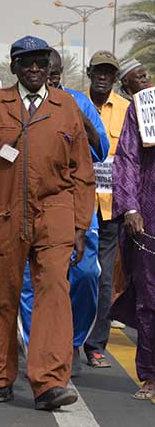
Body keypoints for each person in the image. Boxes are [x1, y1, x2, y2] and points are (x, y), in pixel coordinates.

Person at [0, 35, 95, 410]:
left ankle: (50, 382)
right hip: (1, 214)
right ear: (15, 67)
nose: (35, 69)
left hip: (55, 213)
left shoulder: (65, 106)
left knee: (54, 292)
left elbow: (81, 170)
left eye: (41, 62)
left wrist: (81, 227)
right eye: (27, 63)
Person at [18, 49, 107, 376]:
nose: (48, 76)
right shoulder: (19, 103)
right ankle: (39, 346)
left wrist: (79, 119)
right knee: (35, 282)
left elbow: (100, 151)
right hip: (33, 210)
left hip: (76, 208)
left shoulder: (78, 102)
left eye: (53, 72)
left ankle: (71, 341)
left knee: (85, 275)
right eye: (43, 70)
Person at [82, 51, 130, 368]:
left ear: (115, 78)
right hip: (78, 205)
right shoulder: (73, 104)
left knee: (104, 279)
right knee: (76, 274)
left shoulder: (127, 110)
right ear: (89, 73)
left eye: (109, 72)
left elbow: (130, 159)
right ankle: (70, 338)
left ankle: (95, 345)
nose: (103, 76)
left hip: (111, 207)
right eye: (98, 71)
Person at [111, 88, 155, 400]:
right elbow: (127, 157)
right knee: (149, 300)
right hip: (149, 218)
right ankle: (151, 375)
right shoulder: (144, 105)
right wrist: (130, 207)